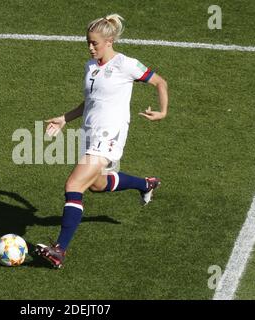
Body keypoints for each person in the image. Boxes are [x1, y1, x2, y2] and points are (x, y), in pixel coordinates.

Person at [35, 13, 169, 268]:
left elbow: (161, 82)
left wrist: (162, 112)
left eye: (94, 43)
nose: (90, 47)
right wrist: (65, 118)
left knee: (73, 185)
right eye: (87, 42)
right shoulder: (91, 67)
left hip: (110, 136)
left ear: (109, 41)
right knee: (96, 184)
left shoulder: (126, 64)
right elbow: (91, 101)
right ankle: (146, 184)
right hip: (90, 134)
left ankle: (60, 250)